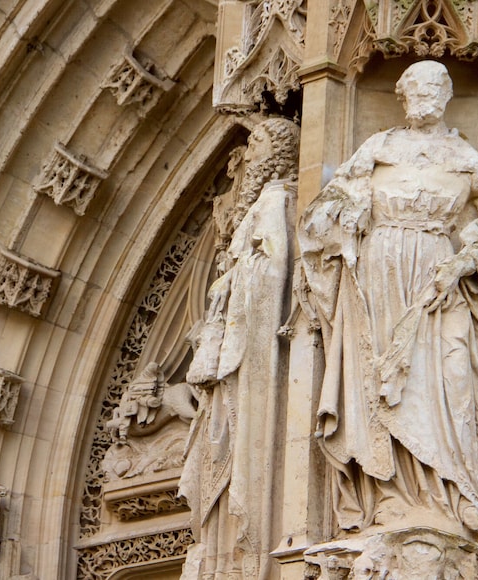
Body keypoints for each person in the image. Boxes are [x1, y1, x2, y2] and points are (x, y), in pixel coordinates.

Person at [299, 60, 478, 539]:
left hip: (439, 273)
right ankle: (390, 496)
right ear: (402, 94)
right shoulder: (377, 147)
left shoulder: (467, 157)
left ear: (447, 95)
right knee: (378, 379)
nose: (426, 95)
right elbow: (329, 205)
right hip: (380, 271)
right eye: (416, 86)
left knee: (450, 374)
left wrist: (470, 258)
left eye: (436, 86)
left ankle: (449, 494)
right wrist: (347, 215)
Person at [180, 116, 299, 579]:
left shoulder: (273, 200)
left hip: (250, 347)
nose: (245, 158)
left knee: (232, 443)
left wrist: (230, 285)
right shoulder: (260, 206)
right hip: (234, 345)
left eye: (256, 149)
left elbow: (271, 270)